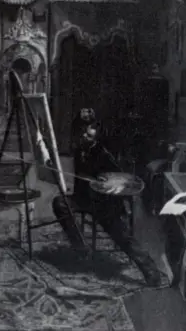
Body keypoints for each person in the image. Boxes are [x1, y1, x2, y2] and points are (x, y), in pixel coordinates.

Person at [52, 112, 168, 288]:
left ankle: (152, 273)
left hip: (105, 204)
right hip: (84, 199)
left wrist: (104, 184)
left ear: (96, 134)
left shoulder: (104, 153)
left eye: (89, 132)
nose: (84, 135)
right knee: (59, 203)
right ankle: (82, 248)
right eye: (82, 131)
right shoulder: (79, 151)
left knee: (123, 237)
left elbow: (121, 180)